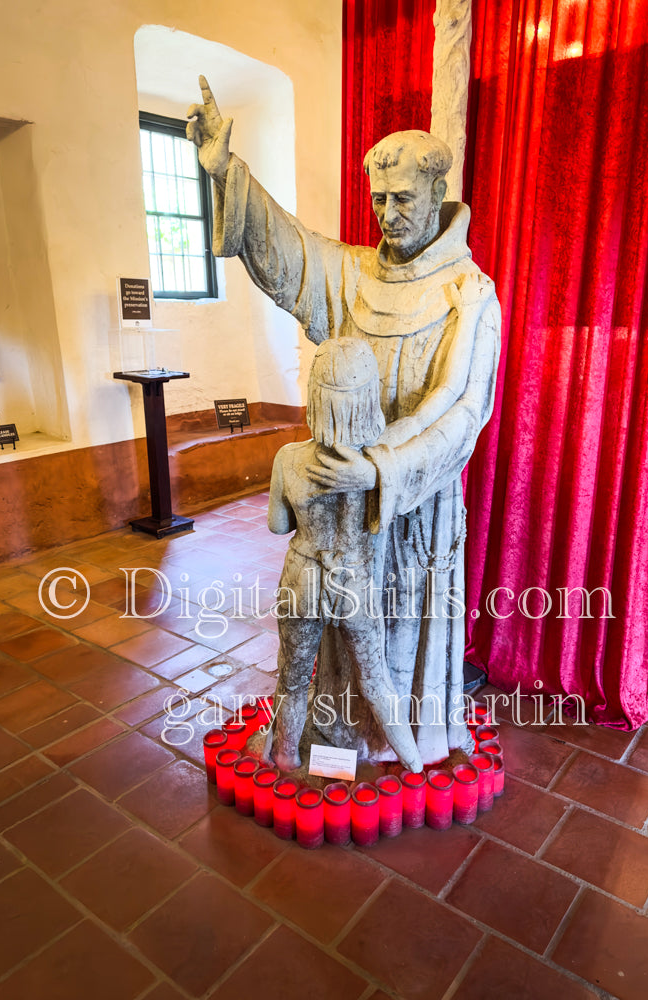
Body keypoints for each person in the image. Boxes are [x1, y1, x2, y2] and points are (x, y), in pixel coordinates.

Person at [187, 76, 501, 763]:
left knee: (400, 636)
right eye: (379, 199)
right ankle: (335, 737)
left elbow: (467, 411)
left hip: (412, 501)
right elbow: (288, 252)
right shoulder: (353, 274)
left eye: (403, 200)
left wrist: (382, 468)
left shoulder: (470, 293)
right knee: (332, 647)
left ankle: (401, 747)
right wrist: (226, 173)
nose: (387, 214)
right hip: (342, 501)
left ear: (436, 197)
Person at [265, 337, 423, 774]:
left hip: (302, 577)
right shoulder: (375, 464)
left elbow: (278, 525)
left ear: (315, 395)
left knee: (293, 676)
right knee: (376, 681)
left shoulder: (289, 459)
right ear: (366, 398)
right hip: (353, 580)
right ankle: (413, 763)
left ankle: (285, 754)